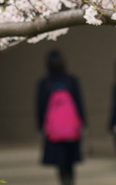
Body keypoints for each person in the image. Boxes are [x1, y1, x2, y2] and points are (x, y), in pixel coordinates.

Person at [37, 50, 85, 185]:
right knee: (70, 160)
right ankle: (71, 181)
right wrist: (82, 123)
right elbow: (79, 103)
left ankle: (63, 181)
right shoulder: (71, 80)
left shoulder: (44, 83)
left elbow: (40, 107)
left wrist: (41, 126)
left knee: (60, 160)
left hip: (54, 130)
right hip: (71, 128)